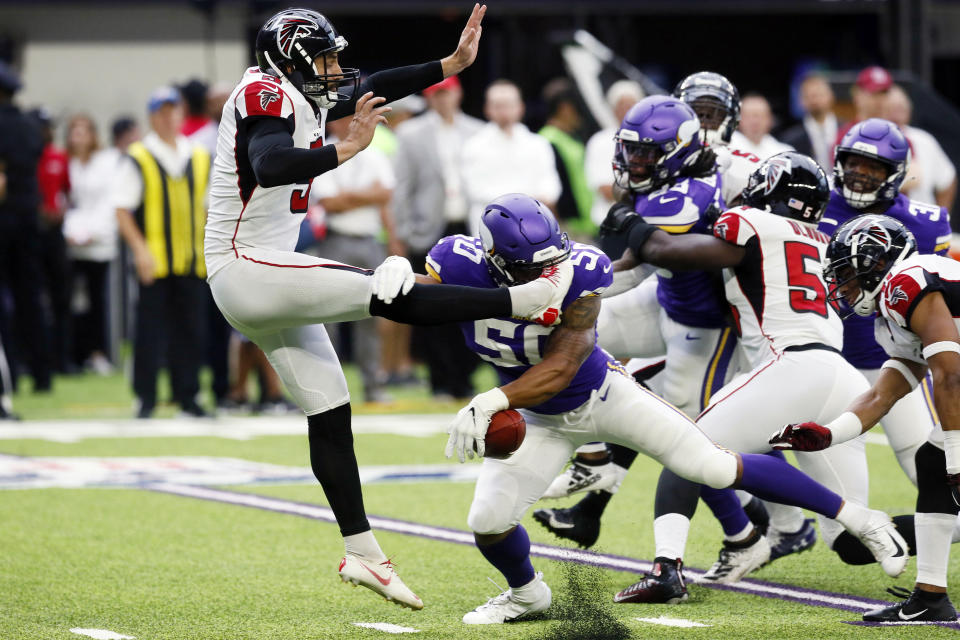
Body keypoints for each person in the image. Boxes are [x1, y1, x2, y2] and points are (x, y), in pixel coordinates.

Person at [202, 5, 575, 610]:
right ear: (290, 61)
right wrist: (348, 149)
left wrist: (450, 65)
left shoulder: (297, 86)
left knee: (330, 411)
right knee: (392, 290)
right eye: (321, 58)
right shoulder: (264, 93)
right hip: (248, 265)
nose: (334, 70)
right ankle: (519, 301)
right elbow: (270, 163)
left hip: (263, 273)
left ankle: (364, 554)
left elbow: (373, 84)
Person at [434, 193, 907, 623]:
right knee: (488, 521)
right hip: (541, 421)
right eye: (527, 269)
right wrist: (387, 281)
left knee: (713, 465)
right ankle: (526, 594)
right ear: (493, 259)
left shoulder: (581, 270)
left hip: (602, 395)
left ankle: (860, 518)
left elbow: (562, 366)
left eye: (552, 261)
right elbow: (418, 299)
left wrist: (494, 398)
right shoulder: (457, 264)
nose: (546, 275)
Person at [536, 96, 736, 527]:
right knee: (562, 335)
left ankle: (751, 529)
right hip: (663, 297)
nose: (636, 161)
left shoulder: (688, 195)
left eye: (648, 152)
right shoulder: (679, 174)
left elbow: (641, 257)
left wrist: (564, 288)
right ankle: (591, 459)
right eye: (632, 149)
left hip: (703, 324)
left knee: (689, 440)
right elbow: (635, 263)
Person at [771, 214, 960, 622]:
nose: (843, 286)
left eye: (846, 273)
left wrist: (958, 461)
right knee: (931, 463)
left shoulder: (906, 283)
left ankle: (931, 599)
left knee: (940, 461)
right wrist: (827, 434)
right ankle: (930, 598)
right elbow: (882, 394)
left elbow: (950, 374)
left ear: (875, 261)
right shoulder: (892, 312)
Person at [115, 86, 212, 418]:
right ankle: (146, 398)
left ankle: (189, 396)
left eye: (174, 111)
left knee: (191, 330)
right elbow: (123, 210)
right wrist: (140, 251)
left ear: (182, 114)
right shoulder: (140, 156)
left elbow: (210, 207)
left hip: (192, 258)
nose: (169, 118)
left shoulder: (199, 155)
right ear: (152, 117)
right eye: (162, 112)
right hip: (154, 259)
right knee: (149, 332)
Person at [393, 74, 484, 399]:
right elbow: (402, 188)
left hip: (469, 225)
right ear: (429, 99)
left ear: (457, 94)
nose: (442, 100)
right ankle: (440, 379)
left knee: (471, 306)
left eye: (447, 94)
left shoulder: (476, 131)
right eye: (436, 95)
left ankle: (465, 376)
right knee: (433, 307)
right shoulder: (411, 133)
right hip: (430, 229)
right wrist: (403, 232)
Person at [309, 114, 397, 402]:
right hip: (336, 239)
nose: (347, 124)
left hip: (369, 239)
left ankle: (373, 386)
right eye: (342, 119)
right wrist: (367, 195)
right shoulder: (324, 153)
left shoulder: (373, 153)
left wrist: (349, 197)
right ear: (332, 124)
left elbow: (385, 195)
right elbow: (328, 203)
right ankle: (327, 389)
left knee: (372, 315)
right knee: (329, 319)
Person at [0, 62, 49, 394]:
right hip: (29, 219)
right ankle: (42, 374)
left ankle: (10, 375)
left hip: (3, 218)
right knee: (30, 297)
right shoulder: (31, 125)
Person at [460, 79, 561, 234]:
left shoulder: (538, 143)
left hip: (533, 226)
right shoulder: (474, 146)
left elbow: (550, 184)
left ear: (520, 107)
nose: (504, 112)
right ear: (487, 109)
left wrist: (539, 199)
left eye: (509, 105)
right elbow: (475, 190)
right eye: (498, 106)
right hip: (491, 228)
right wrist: (524, 201)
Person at [63, 114, 118, 375]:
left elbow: (108, 203)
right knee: (74, 303)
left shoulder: (106, 162)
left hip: (98, 245)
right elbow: (66, 202)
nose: (79, 137)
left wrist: (91, 232)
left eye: (84, 131)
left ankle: (99, 353)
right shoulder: (67, 164)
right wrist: (70, 231)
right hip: (71, 244)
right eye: (75, 132)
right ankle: (75, 354)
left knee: (98, 302)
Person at [584, 80, 644, 234]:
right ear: (613, 109)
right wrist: (645, 189)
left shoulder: (652, 141)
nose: (626, 110)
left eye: (631, 105)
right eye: (621, 106)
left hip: (645, 225)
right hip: (611, 225)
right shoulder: (599, 142)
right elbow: (606, 191)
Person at [885, 84, 957, 212]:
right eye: (892, 108)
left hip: (920, 221)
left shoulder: (923, 139)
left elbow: (948, 179)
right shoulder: (872, 137)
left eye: (901, 107)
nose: (897, 113)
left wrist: (941, 218)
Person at [538, 78, 593, 235]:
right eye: (579, 109)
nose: (581, 116)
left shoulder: (572, 137)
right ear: (565, 108)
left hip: (585, 224)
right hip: (566, 228)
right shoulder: (546, 141)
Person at [780, 73, 842, 174]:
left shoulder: (847, 131)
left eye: (819, 94)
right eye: (809, 96)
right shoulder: (791, 139)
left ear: (831, 96)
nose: (815, 100)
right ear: (801, 101)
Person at [834, 65, 892, 147]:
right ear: (857, 95)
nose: (880, 100)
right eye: (874, 93)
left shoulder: (898, 136)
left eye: (884, 93)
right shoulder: (846, 137)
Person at [730, 93, 793, 160]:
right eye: (748, 116)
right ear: (738, 120)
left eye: (760, 116)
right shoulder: (725, 147)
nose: (754, 122)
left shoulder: (785, 153)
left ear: (770, 119)